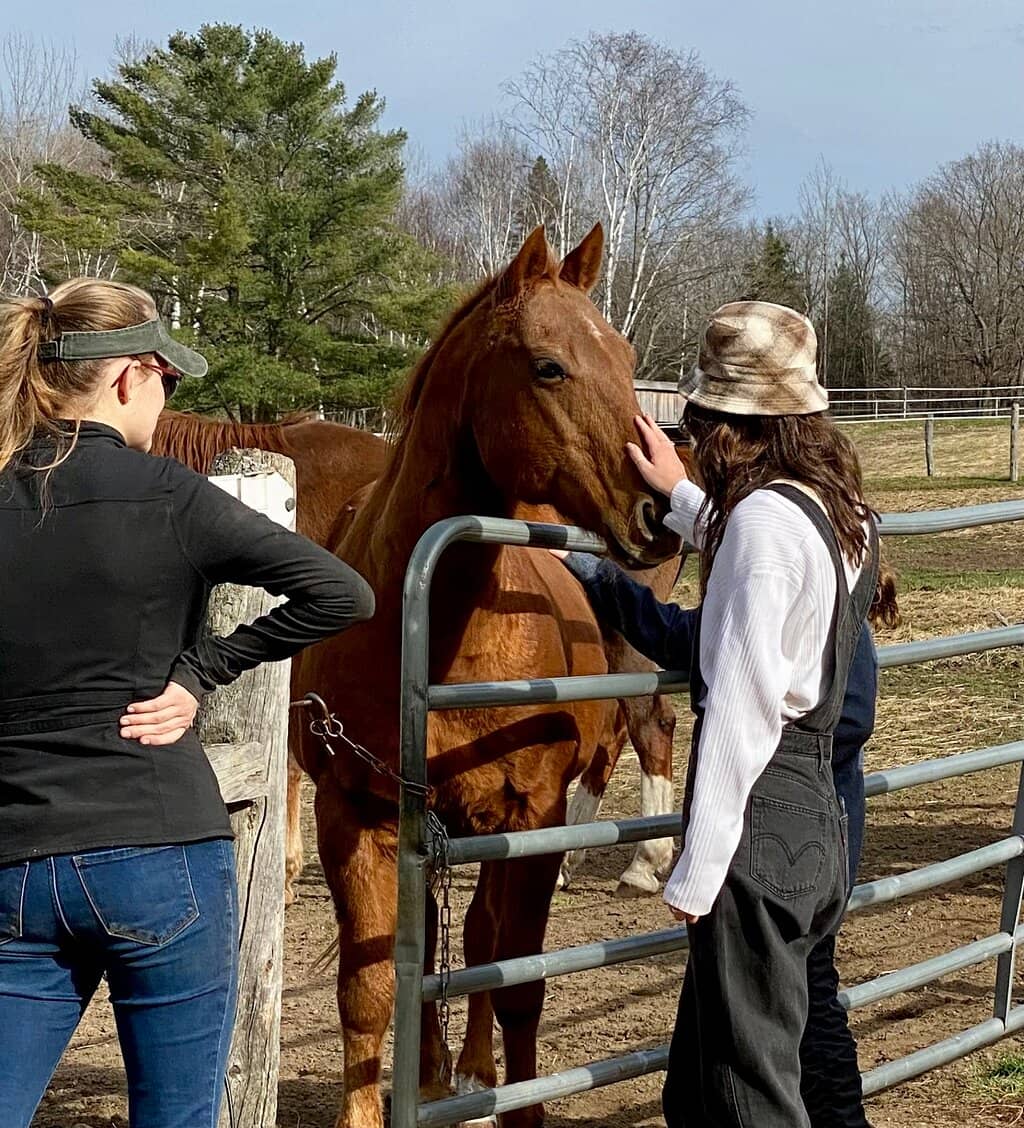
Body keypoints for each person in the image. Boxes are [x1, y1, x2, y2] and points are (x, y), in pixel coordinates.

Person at [0, 279, 375, 1128]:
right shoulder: (170, 495)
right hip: (158, 849)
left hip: (15, 858)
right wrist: (204, 671)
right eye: (167, 377)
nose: (168, 397)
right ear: (130, 377)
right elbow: (342, 593)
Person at [574, 300, 895, 1128]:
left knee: (752, 1097)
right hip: (819, 810)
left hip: (760, 814)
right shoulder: (839, 513)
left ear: (723, 423)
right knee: (704, 1081)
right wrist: (679, 499)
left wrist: (698, 861)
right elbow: (765, 567)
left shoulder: (760, 523)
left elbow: (745, 707)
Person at [557, 540, 878, 1127]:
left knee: (763, 1057)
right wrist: (684, 506)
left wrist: (602, 577)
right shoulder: (835, 537)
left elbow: (709, 657)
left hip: (769, 824)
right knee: (718, 1045)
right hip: (827, 812)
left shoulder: (772, 534)